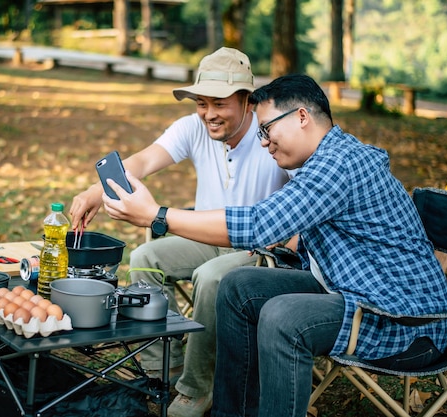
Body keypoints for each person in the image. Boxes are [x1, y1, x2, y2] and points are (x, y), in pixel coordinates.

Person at [100, 74, 447, 417]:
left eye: (267, 130)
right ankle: (231, 412)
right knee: (239, 286)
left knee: (283, 317)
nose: (265, 142)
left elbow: (257, 224)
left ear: (301, 117)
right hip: (352, 290)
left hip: (403, 321)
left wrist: (156, 215)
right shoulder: (324, 159)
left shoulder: (339, 164)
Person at [69, 47, 291, 417]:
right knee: (145, 258)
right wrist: (96, 191)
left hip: (259, 250)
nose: (209, 114)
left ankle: (197, 387)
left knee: (212, 278)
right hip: (205, 237)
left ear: (247, 100)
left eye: (219, 103)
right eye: (202, 102)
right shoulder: (194, 127)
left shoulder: (274, 136)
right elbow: (143, 160)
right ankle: (162, 369)